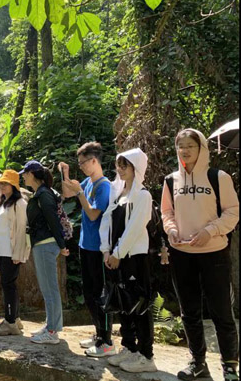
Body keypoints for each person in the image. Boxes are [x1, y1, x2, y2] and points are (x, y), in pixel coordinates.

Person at [161, 128, 239, 381]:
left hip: (214, 253)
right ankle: (198, 363)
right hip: (182, 253)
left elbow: (232, 212)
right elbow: (167, 212)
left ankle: (230, 367)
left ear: (201, 148)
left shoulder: (218, 177)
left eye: (190, 146)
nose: (184, 150)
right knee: (189, 311)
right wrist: (171, 230)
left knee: (221, 311)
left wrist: (210, 231)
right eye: (180, 146)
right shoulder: (171, 180)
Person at [99, 149, 157, 373]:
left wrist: (118, 253)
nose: (120, 170)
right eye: (119, 165)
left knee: (139, 304)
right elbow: (107, 222)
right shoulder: (118, 194)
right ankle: (129, 347)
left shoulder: (142, 195)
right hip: (115, 257)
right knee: (122, 303)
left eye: (125, 165)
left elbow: (135, 228)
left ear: (136, 167)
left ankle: (146, 355)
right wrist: (106, 250)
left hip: (133, 257)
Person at [60, 142, 114, 356]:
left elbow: (93, 214)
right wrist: (65, 174)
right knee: (89, 294)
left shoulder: (104, 186)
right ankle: (98, 333)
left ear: (94, 161)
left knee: (101, 294)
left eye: (83, 162)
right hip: (86, 245)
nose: (81, 166)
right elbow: (67, 193)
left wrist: (80, 193)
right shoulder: (88, 182)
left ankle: (106, 341)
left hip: (99, 248)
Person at [21, 161, 69, 344]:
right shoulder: (40, 193)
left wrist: (62, 244)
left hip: (46, 244)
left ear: (32, 174)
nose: (23, 177)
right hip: (42, 244)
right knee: (47, 288)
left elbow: (53, 220)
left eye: (25, 173)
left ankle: (52, 331)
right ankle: (51, 325)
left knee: (50, 289)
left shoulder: (44, 194)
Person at [0, 169, 29, 336]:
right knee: (8, 284)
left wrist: (18, 253)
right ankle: (15, 318)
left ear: (14, 185)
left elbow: (21, 229)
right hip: (1, 250)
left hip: (11, 251)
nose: (2, 186)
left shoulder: (19, 204)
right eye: (1, 183)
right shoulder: (3, 203)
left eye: (6, 183)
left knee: (8, 285)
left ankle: (10, 322)